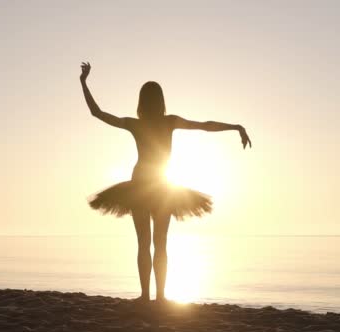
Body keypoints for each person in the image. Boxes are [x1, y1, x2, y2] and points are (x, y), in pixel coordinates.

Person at [80, 62, 251, 303]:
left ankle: (146, 296)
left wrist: (84, 82)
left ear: (141, 101)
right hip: (161, 186)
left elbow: (97, 113)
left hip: (141, 185)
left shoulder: (136, 124)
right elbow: (204, 126)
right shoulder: (169, 121)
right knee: (160, 243)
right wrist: (235, 127)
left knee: (144, 244)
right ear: (161, 101)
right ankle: (159, 296)